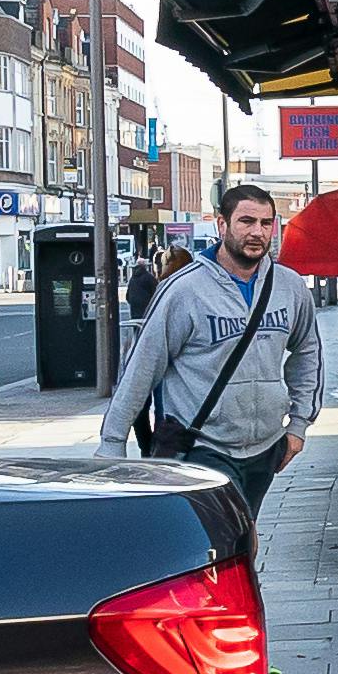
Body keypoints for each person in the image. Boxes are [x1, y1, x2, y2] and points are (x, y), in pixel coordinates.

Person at [93, 181, 323, 528]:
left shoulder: (289, 287)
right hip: (203, 445)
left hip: (264, 447)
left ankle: (240, 582)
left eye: (266, 223)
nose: (257, 232)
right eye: (246, 221)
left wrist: (299, 424)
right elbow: (142, 366)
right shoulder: (185, 290)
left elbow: (307, 349)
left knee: (244, 536)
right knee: (224, 537)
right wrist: (113, 442)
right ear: (222, 225)